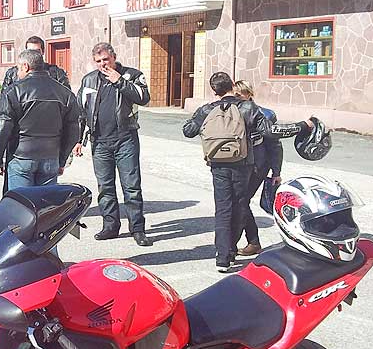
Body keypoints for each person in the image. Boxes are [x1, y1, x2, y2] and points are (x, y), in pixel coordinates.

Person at [182, 71, 311, 272]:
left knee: (223, 209)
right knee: (240, 205)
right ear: (232, 85)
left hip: (218, 164)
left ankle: (222, 257)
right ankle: (231, 251)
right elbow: (271, 132)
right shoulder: (248, 107)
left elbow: (188, 130)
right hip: (243, 164)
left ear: (214, 90)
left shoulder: (207, 109)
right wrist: (303, 126)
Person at [74, 42, 152, 247]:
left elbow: (144, 98)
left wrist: (120, 81)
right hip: (99, 141)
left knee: (131, 187)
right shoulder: (89, 80)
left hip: (125, 139)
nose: (103, 64)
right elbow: (80, 112)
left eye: (106, 59)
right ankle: (110, 226)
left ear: (114, 57)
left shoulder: (132, 75)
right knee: (105, 187)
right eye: (98, 61)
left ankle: (137, 229)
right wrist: (78, 139)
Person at [0, 49, 81, 188]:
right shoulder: (65, 93)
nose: (17, 73)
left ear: (25, 66)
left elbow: (2, 127)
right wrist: (61, 159)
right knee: (45, 200)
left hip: (21, 156)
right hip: (50, 157)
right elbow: (73, 130)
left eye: (18, 68)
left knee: (21, 200)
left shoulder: (14, 91)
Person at [231, 80, 283, 257]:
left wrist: (276, 171)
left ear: (249, 94)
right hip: (238, 164)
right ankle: (252, 242)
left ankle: (247, 242)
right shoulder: (231, 112)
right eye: (234, 95)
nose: (236, 98)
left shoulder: (265, 114)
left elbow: (274, 144)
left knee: (241, 201)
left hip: (257, 166)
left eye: (239, 94)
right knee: (240, 202)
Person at [1, 35, 70, 91]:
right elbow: (4, 99)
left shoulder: (57, 73)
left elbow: (68, 98)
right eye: (30, 51)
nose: (33, 54)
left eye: (37, 51)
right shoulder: (12, 74)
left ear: (43, 52)